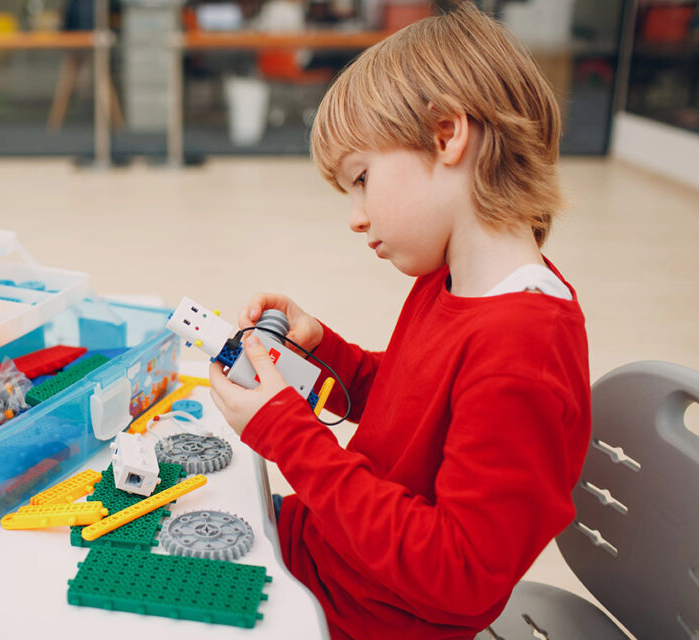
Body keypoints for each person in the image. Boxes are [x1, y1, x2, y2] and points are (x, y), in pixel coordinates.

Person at [206, 4, 591, 639]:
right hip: (329, 556)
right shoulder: (449, 279)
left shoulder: (525, 346)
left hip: (358, 617)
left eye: (361, 179)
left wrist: (288, 437)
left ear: (446, 136)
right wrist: (327, 356)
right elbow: (418, 404)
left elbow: (460, 574)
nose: (355, 216)